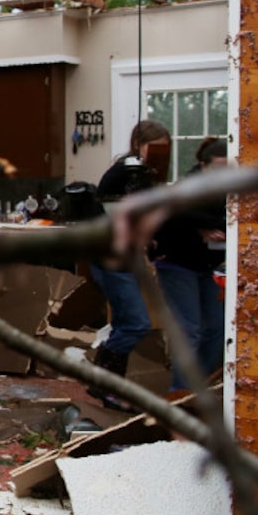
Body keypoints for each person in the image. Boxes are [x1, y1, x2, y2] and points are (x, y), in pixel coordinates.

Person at [88, 119, 171, 412]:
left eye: (165, 147)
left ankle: (106, 386)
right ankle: (102, 383)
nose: (161, 152)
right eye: (155, 146)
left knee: (127, 323)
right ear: (138, 144)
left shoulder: (144, 174)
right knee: (135, 324)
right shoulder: (124, 172)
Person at [153, 137, 229, 390]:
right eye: (219, 168)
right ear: (203, 165)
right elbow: (172, 214)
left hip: (205, 266)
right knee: (189, 329)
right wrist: (201, 227)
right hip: (177, 264)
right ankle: (181, 391)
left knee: (218, 328)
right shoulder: (186, 189)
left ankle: (202, 385)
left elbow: (227, 218)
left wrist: (210, 227)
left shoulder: (226, 191)